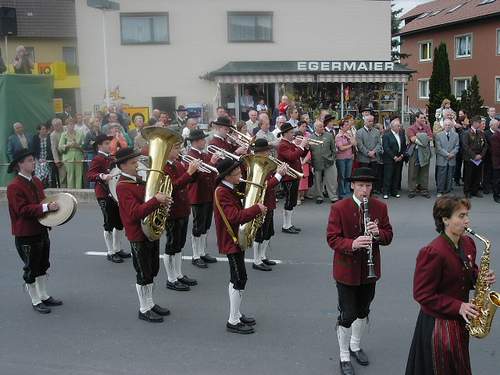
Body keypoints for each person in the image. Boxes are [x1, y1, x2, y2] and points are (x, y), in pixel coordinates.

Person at [405, 196, 495, 375]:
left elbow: (467, 272)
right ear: (445, 219)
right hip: (437, 326)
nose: (467, 220)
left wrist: (480, 277)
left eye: (467, 215)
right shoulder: (432, 252)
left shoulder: (467, 243)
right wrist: (458, 306)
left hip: (459, 320)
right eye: (461, 216)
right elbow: (422, 294)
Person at [326, 167, 393, 375]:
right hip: (346, 270)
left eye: (369, 186)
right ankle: (344, 355)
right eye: (361, 185)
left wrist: (378, 233)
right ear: (352, 185)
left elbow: (389, 235)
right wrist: (352, 244)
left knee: (363, 310)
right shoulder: (339, 208)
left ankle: (355, 345)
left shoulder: (380, 207)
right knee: (348, 314)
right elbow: (332, 238)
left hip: (369, 271)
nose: (365, 190)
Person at [115, 147, 172, 323]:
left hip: (149, 232)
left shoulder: (139, 181)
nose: (137, 165)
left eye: (137, 161)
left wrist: (161, 201)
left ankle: (151, 303)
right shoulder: (122, 186)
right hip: (137, 234)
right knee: (143, 272)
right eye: (133, 163)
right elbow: (135, 213)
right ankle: (144, 308)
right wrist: (157, 200)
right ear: (122, 166)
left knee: (152, 270)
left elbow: (148, 204)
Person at [213, 158, 267, 334]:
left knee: (236, 278)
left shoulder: (230, 188)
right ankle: (233, 320)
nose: (241, 176)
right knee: (239, 278)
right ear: (227, 176)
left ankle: (236, 313)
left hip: (235, 238)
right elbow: (234, 217)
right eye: (237, 174)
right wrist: (256, 209)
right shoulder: (222, 192)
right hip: (231, 240)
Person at [7, 149, 63, 314]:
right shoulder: (14, 186)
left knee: (43, 264)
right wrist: (46, 207)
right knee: (31, 267)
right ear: (20, 164)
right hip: (25, 233)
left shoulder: (37, 181)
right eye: (30, 160)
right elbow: (22, 210)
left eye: (33, 160)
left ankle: (44, 295)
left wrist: (50, 217)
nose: (34, 162)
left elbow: (42, 201)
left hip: (41, 229)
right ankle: (35, 299)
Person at [86, 134, 131, 263]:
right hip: (104, 194)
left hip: (114, 193)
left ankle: (117, 249)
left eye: (109, 143)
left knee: (119, 222)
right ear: (99, 145)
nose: (109, 145)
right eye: (106, 143)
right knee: (109, 223)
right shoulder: (98, 159)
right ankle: (110, 251)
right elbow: (89, 175)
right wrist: (102, 175)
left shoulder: (111, 158)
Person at [163, 142, 199, 291]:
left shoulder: (178, 164)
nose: (179, 151)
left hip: (183, 208)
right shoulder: (163, 167)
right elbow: (172, 186)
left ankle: (178, 274)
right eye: (176, 148)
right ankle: (171, 278)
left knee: (179, 244)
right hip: (172, 210)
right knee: (171, 245)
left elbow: (189, 181)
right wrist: (189, 172)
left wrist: (195, 171)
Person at [251, 139, 287, 271]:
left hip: (269, 200)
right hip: (261, 201)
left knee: (268, 231)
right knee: (259, 231)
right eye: (267, 150)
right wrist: (278, 175)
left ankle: (262, 256)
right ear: (261, 152)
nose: (269, 152)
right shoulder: (257, 165)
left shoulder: (265, 162)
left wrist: (278, 173)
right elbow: (263, 186)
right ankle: (256, 259)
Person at [187, 129, 219, 268]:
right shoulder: (191, 156)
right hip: (197, 194)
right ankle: (195, 255)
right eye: (202, 140)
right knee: (197, 225)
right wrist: (212, 162)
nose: (205, 142)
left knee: (206, 225)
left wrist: (214, 163)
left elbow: (212, 174)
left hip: (207, 193)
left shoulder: (203, 154)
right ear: (196, 142)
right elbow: (200, 175)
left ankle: (202, 252)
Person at [277, 122, 309, 234]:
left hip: (294, 175)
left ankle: (289, 224)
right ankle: (286, 225)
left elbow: (301, 153)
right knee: (289, 201)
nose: (293, 134)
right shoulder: (282, 145)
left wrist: (305, 146)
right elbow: (292, 156)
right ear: (285, 133)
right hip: (288, 177)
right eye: (291, 132)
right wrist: (301, 145)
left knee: (292, 201)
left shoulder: (290, 143)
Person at [309, 119, 338, 203]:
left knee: (331, 180)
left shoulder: (329, 135)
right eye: (320, 126)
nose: (323, 128)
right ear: (315, 128)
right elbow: (309, 151)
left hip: (329, 161)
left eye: (322, 126)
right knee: (318, 181)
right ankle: (319, 197)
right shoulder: (310, 138)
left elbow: (333, 149)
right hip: (317, 162)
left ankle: (333, 196)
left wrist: (333, 158)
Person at [407, 112, 433, 198]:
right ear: (416, 118)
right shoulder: (411, 128)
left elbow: (430, 137)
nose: (423, 119)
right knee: (413, 171)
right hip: (415, 153)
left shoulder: (427, 127)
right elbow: (413, 139)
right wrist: (424, 139)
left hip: (425, 152)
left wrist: (419, 136)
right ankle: (412, 190)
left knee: (424, 171)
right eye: (421, 118)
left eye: (424, 118)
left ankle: (424, 190)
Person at [356, 115, 383, 194]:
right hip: (364, 159)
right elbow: (360, 146)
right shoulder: (359, 132)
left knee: (373, 175)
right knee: (365, 176)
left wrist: (374, 152)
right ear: (365, 121)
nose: (371, 123)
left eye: (372, 121)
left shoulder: (376, 132)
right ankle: (363, 192)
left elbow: (379, 144)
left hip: (374, 158)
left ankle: (372, 192)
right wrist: (368, 153)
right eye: (369, 121)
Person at [462, 116, 488, 198]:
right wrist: (474, 156)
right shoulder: (466, 133)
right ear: (474, 123)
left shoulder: (480, 133)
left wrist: (481, 155)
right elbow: (465, 146)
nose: (480, 124)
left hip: (479, 158)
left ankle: (475, 190)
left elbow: (485, 145)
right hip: (470, 158)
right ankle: (467, 191)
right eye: (479, 122)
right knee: (468, 175)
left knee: (477, 175)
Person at [382, 116, 407, 199]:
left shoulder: (401, 134)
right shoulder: (386, 135)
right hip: (389, 159)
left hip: (399, 158)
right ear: (392, 127)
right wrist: (394, 157)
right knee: (388, 176)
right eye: (398, 126)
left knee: (396, 176)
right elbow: (386, 148)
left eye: (399, 126)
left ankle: (394, 191)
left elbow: (404, 145)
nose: (399, 127)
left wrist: (402, 155)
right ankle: (386, 192)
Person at [435, 119, 460, 197]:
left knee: (450, 175)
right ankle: (440, 190)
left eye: (449, 125)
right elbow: (438, 148)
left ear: (452, 125)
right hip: (442, 159)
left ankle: (448, 190)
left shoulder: (456, 135)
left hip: (452, 158)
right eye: (446, 125)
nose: (447, 126)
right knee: (441, 176)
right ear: (443, 126)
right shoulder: (438, 135)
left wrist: (452, 154)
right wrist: (447, 155)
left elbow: (457, 146)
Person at [58, 118, 84, 189]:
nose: (71, 126)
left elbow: (84, 145)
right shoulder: (64, 135)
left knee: (79, 175)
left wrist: (77, 146)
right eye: (69, 124)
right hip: (68, 158)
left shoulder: (80, 133)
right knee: (70, 175)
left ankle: (79, 191)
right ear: (66, 126)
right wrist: (67, 145)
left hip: (79, 157)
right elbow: (60, 147)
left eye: (72, 124)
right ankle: (71, 192)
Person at [336, 118, 356, 199]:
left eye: (348, 125)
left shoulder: (349, 134)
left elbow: (355, 143)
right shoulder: (338, 136)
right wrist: (350, 145)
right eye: (346, 125)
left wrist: (352, 142)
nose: (348, 126)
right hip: (341, 158)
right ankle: (342, 192)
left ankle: (347, 190)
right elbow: (341, 148)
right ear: (341, 127)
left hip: (349, 157)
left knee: (348, 175)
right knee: (342, 175)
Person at [32, 123, 54, 188]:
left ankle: (48, 185)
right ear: (39, 130)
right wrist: (37, 159)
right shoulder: (35, 138)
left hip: (48, 160)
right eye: (43, 129)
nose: (44, 130)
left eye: (45, 129)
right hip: (38, 160)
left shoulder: (50, 137)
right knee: (39, 176)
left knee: (48, 175)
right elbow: (33, 150)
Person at [454, 110, 470, 187]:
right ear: (463, 122)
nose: (468, 121)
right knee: (458, 165)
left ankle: (465, 179)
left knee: (466, 166)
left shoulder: (468, 128)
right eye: (466, 120)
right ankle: (457, 179)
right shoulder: (459, 130)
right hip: (460, 151)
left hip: (466, 151)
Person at [50, 118, 66, 188]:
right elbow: (53, 149)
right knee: (63, 177)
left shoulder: (66, 129)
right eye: (55, 125)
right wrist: (57, 161)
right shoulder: (53, 135)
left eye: (59, 124)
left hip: (70, 157)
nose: (58, 126)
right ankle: (64, 192)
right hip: (61, 158)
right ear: (53, 126)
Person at [490, 120, 500, 203]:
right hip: (497, 162)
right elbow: (496, 151)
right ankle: (496, 196)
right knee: (496, 180)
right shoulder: (495, 136)